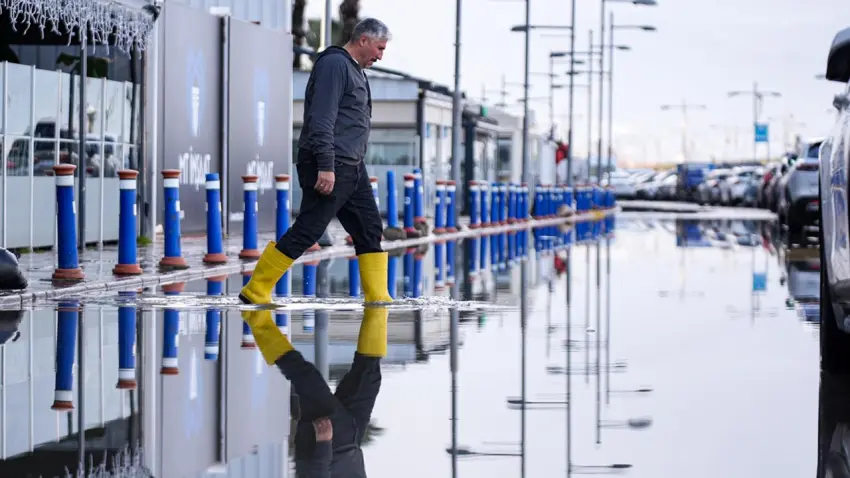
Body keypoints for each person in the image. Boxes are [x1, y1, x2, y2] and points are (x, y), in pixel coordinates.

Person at [240, 18, 393, 307]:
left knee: (369, 228)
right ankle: (257, 288)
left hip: (352, 166)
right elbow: (321, 119)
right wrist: (326, 165)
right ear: (363, 40)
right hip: (330, 162)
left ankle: (378, 296)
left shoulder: (356, 71)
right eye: (379, 48)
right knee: (310, 228)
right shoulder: (334, 65)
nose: (381, 56)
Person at [241, 305, 387, 477]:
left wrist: (323, 445)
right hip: (351, 439)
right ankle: (377, 303)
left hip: (324, 447)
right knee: (369, 375)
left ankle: (255, 317)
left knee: (305, 376)